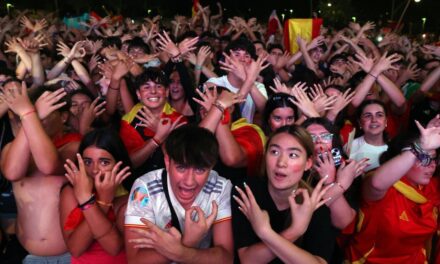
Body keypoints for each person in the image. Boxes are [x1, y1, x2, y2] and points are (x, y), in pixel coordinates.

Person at [124, 125, 233, 264]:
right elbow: (135, 260)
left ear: (211, 166)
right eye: (181, 167)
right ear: (167, 161)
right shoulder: (144, 188)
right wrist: (187, 242)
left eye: (200, 170)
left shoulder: (220, 188)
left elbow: (226, 258)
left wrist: (182, 252)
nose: (189, 181)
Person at [0, 82, 80, 263]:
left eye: (43, 114)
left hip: (70, 254)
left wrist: (29, 114)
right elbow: (12, 172)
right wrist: (29, 115)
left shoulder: (74, 147)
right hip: (25, 253)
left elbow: (49, 166)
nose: (37, 119)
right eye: (33, 114)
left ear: (64, 117)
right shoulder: (11, 148)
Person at [232, 125, 335, 263]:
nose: (281, 163)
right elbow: (248, 260)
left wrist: (265, 232)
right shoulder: (247, 191)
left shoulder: (316, 207)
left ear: (308, 163)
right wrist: (294, 231)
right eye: (274, 152)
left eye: (293, 155)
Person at [345, 120, 440, 263]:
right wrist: (420, 146)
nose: (431, 165)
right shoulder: (381, 183)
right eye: (424, 158)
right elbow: (377, 184)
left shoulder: (430, 186)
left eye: (434, 159)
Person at [60, 128, 131, 263]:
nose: (94, 169)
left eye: (104, 162)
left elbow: (114, 247)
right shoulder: (70, 192)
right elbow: (75, 249)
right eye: (87, 162)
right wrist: (100, 201)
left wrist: (91, 201)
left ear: (119, 163)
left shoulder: (130, 195)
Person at [346, 99, 389, 172]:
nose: (374, 120)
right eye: (368, 116)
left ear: (386, 121)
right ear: (360, 123)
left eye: (379, 115)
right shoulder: (349, 147)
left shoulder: (395, 149)